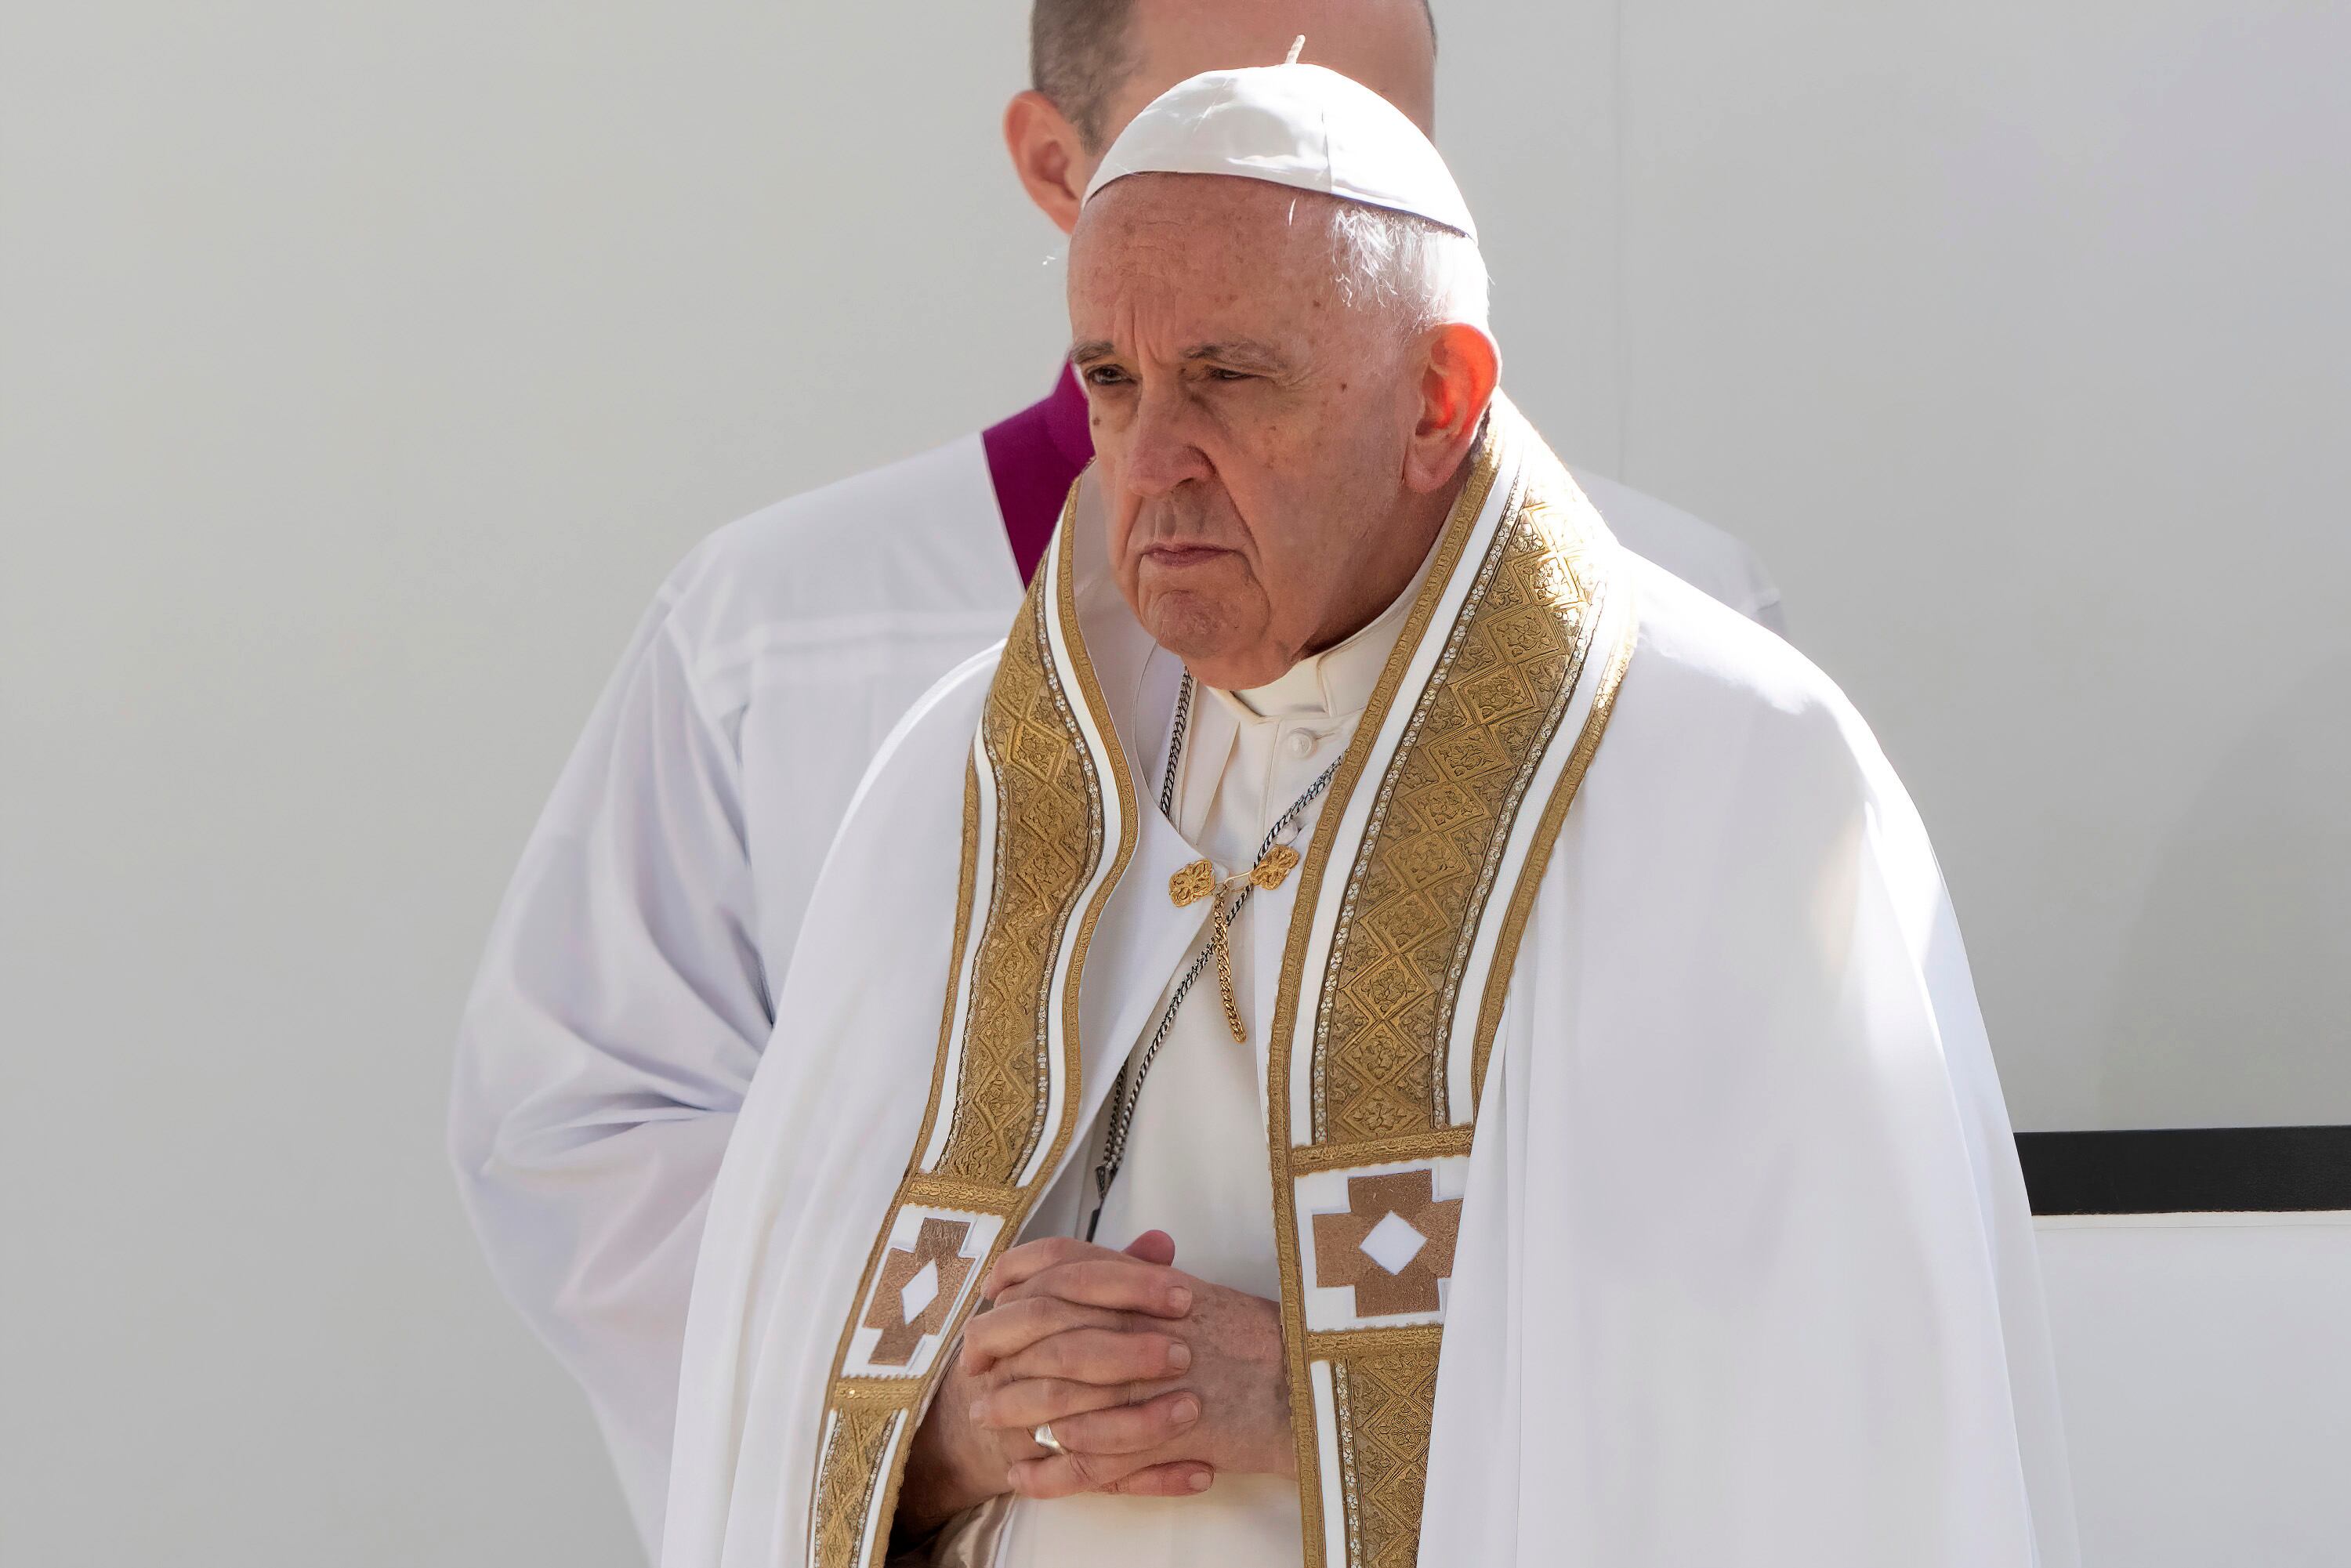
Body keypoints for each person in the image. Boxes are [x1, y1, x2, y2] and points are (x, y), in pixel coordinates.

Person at [664, 60, 2073, 1568]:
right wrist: (948, 1430)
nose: (1150, 464)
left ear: (1437, 401)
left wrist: (1305, 1391)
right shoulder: (967, 784)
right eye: (1112, 382)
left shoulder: (1733, 775)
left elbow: (1833, 1392)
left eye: (1229, 377)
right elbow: (771, 1363)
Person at [449, 2, 1781, 1554]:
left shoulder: (1670, 670)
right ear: (1054, 164)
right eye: (1224, 112)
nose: (1313, 168)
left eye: (1377, 131)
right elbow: (586, 1127)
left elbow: (1784, 1264)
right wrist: (919, 1407)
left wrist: (1315, 1389)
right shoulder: (810, 643)